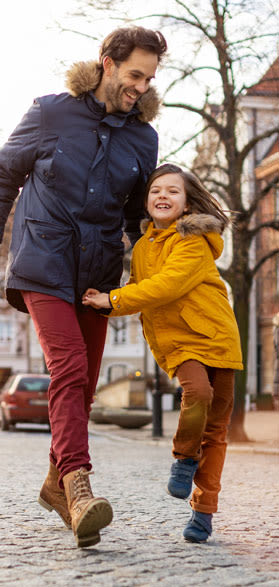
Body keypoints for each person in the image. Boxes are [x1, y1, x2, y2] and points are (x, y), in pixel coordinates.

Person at [0, 26, 167, 548]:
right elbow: (3, 172)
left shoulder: (143, 138)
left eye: (150, 78)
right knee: (69, 366)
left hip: (98, 274)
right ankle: (78, 486)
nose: (142, 87)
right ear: (106, 63)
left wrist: (156, 264)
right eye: (134, 75)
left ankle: (55, 485)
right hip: (43, 261)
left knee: (82, 385)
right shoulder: (50, 112)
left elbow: (135, 214)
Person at [83, 164, 242, 543]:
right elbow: (145, 288)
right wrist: (109, 301)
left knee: (216, 432)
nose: (163, 196)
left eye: (173, 191)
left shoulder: (194, 240)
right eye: (156, 191)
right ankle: (184, 458)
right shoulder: (142, 248)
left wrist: (112, 299)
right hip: (178, 340)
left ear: (187, 205)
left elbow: (167, 285)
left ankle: (203, 513)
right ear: (147, 201)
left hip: (217, 336)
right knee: (197, 393)